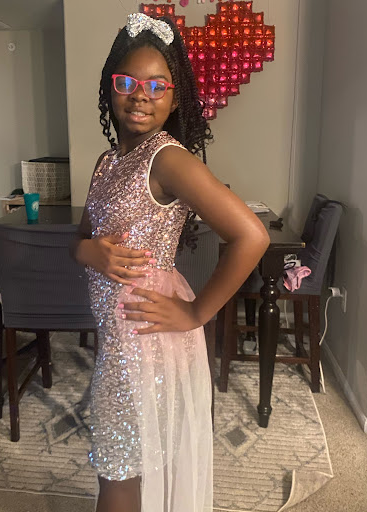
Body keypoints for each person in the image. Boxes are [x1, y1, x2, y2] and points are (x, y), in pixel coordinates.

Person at [71, 13, 270, 512]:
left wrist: (196, 312)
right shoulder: (107, 162)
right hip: (117, 337)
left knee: (118, 471)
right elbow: (83, 237)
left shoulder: (167, 159)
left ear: (175, 98)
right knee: (122, 463)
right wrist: (86, 250)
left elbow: (251, 236)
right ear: (110, 87)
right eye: (128, 82)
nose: (141, 95)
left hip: (144, 341)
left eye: (157, 85)